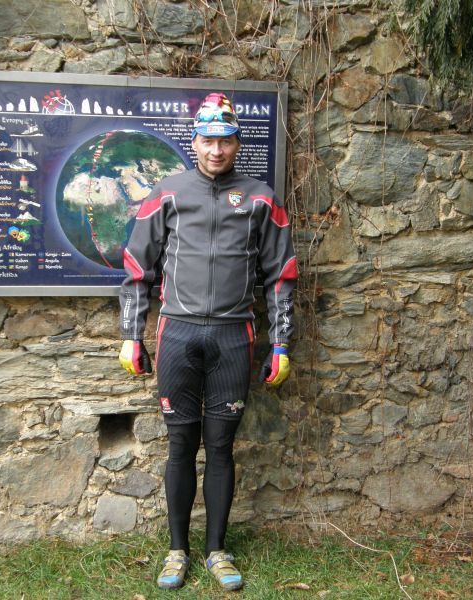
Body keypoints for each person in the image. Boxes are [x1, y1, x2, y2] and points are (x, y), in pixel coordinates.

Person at [117, 92, 297, 592]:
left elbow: (281, 276)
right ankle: (177, 551)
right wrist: (131, 335)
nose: (216, 150)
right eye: (208, 140)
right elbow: (137, 268)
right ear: (194, 141)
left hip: (234, 337)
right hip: (177, 333)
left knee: (220, 446)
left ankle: (217, 549)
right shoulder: (168, 193)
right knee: (180, 444)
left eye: (226, 140)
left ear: (238, 143)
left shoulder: (261, 198)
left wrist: (281, 344)